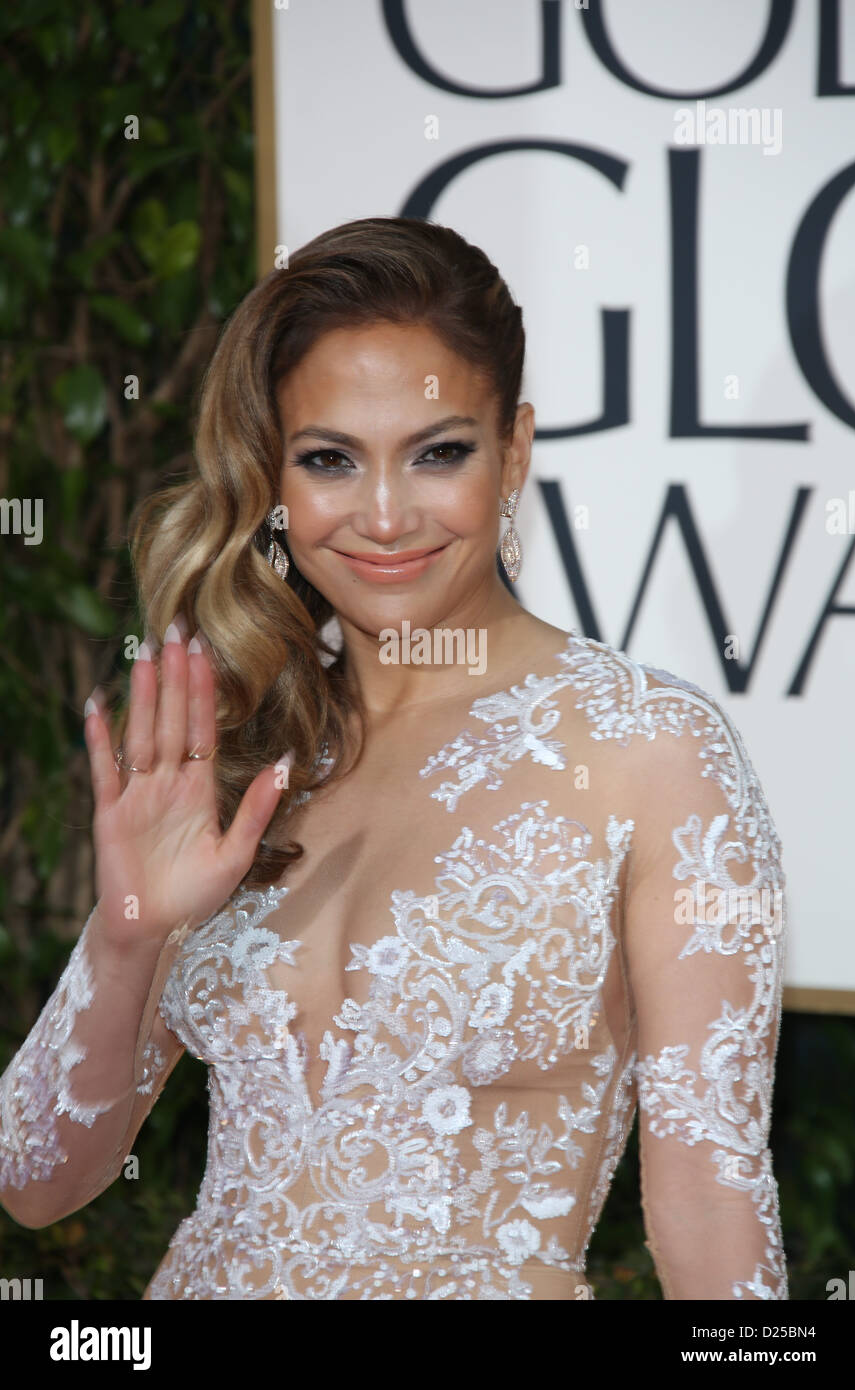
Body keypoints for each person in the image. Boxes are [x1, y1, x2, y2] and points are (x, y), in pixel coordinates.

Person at [0, 216, 787, 1301]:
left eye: (437, 452)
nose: (381, 514)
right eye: (328, 459)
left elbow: (709, 1203)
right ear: (273, 479)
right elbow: (33, 1182)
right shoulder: (236, 752)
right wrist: (128, 938)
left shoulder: (649, 753)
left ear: (512, 450)